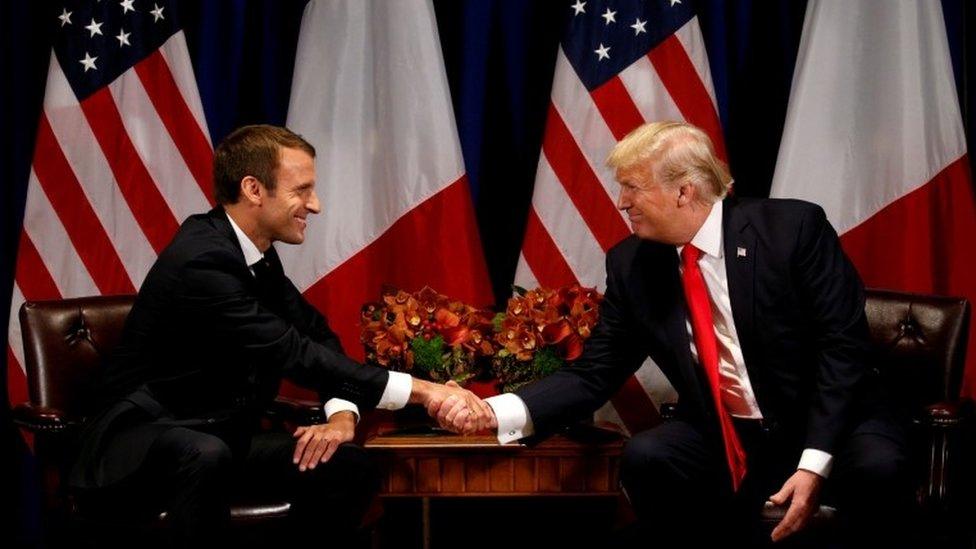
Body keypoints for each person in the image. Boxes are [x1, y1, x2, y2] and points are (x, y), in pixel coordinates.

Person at [437, 121, 911, 546]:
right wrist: (493, 412)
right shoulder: (633, 264)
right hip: (730, 433)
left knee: (878, 468)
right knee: (649, 455)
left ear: (685, 192)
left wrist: (812, 463)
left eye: (632, 188)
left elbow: (841, 350)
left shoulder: (792, 230)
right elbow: (594, 373)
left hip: (832, 421)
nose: (622, 201)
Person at [70, 124, 494, 547]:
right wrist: (425, 392)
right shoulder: (203, 260)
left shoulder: (258, 256)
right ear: (254, 189)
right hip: (138, 442)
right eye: (302, 190)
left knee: (348, 464)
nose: (316, 205)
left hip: (220, 436)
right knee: (204, 454)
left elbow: (318, 337)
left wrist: (341, 416)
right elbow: (292, 353)